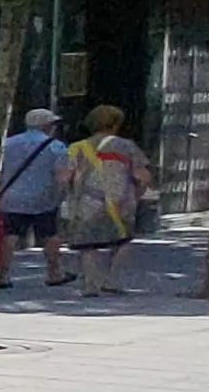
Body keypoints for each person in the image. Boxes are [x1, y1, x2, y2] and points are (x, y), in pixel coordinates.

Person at [58, 105, 154, 295]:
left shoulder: (76, 147)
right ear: (116, 124)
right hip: (120, 203)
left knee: (87, 245)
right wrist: (138, 191)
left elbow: (63, 177)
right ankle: (111, 280)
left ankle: (90, 285)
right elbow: (142, 175)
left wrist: (69, 195)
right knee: (122, 241)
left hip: (85, 204)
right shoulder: (127, 146)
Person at [0, 108, 66, 288]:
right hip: (44, 198)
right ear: (46, 125)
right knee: (49, 235)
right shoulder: (56, 147)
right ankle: (54, 273)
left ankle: (3, 276)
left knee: (10, 236)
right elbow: (60, 176)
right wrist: (62, 195)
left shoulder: (7, 143)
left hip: (11, 197)